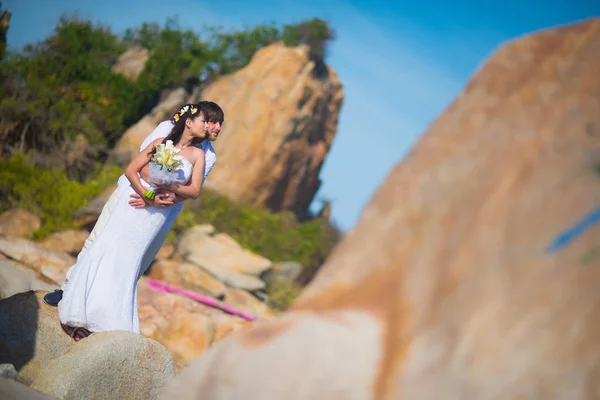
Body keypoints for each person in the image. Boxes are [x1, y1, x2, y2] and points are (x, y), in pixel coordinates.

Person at [57, 102, 220, 341]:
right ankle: (73, 300)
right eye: (207, 120)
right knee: (101, 246)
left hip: (161, 212)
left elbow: (193, 190)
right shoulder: (163, 134)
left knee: (131, 262)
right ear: (189, 121)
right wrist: (149, 194)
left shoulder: (204, 155)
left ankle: (108, 319)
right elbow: (138, 170)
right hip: (133, 198)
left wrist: (166, 192)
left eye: (215, 123)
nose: (211, 127)